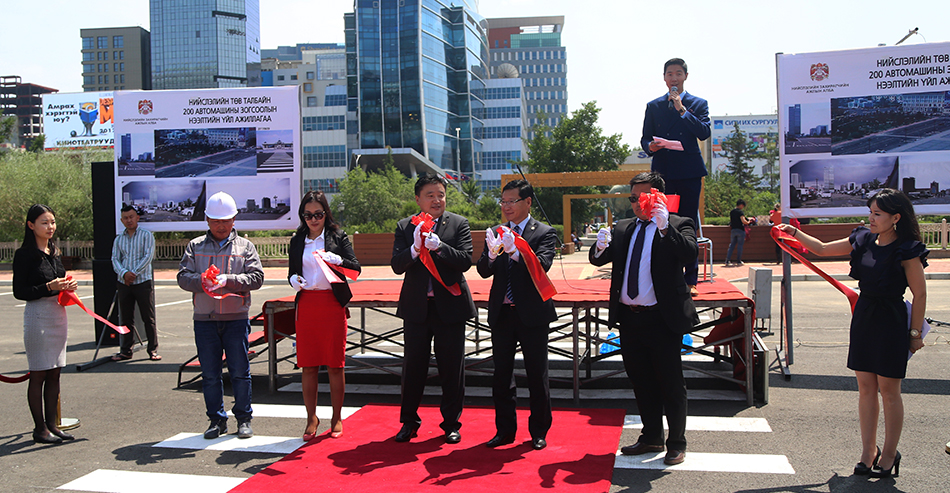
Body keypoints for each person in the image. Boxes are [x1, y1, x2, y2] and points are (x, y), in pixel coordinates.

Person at [776, 188, 926, 479]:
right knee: (866, 389)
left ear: (896, 217)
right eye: (870, 212)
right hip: (864, 317)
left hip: (892, 320)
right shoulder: (863, 239)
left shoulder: (907, 248)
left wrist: (915, 333)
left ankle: (890, 453)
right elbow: (820, 249)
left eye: (878, 214)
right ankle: (868, 452)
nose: (871, 218)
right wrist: (793, 232)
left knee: (889, 391)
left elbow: (919, 295)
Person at [589, 171, 699, 466]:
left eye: (644, 197)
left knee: (671, 382)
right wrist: (599, 244)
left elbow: (689, 254)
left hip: (662, 318)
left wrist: (665, 229)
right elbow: (599, 259)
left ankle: (677, 441)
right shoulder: (625, 227)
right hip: (630, 317)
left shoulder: (678, 223)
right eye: (634, 197)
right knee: (641, 380)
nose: (638, 203)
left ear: (660, 197)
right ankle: (651, 435)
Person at [391, 174, 476, 444]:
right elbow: (396, 264)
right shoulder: (405, 226)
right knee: (413, 368)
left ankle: (451, 423)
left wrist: (440, 247)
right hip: (417, 309)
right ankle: (409, 422)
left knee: (452, 368)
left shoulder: (458, 224)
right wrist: (416, 249)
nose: (436, 200)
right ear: (418, 199)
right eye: (430, 195)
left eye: (440, 194)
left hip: (450, 307)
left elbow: (465, 261)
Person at [476, 179, 557, 450]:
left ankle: (538, 431)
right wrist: (490, 254)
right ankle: (504, 431)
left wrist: (515, 253)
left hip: (532, 314)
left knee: (536, 374)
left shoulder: (543, 232)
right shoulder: (497, 231)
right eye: (503, 201)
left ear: (528, 202)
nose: (506, 207)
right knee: (502, 375)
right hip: (502, 312)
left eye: (512, 201)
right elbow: (484, 270)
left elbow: (542, 265)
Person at [178, 191, 264, 440]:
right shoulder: (195, 246)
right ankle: (216, 420)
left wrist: (230, 280)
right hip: (204, 320)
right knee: (210, 374)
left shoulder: (245, 247)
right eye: (216, 221)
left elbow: (257, 278)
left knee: (239, 371)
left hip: (236, 319)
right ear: (206, 220)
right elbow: (182, 277)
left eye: (226, 220)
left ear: (235, 219)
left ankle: (244, 419)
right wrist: (201, 280)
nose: (221, 225)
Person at [288, 190, 360, 441]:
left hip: (332, 303)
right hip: (307, 304)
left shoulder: (338, 236)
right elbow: (292, 272)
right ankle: (311, 417)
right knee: (308, 365)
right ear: (302, 216)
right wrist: (292, 280)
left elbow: (355, 269)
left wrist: (338, 259)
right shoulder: (298, 240)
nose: (313, 219)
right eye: (307, 215)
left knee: (335, 364)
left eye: (318, 214)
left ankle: (337, 416)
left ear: (325, 214)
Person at [640, 58, 709, 296]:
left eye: (678, 74)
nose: (674, 78)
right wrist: (652, 146)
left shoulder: (698, 104)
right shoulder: (654, 106)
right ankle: (663, 275)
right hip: (663, 173)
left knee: (688, 222)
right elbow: (645, 139)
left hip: (689, 172)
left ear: (685, 77)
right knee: (661, 220)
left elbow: (704, 132)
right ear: (664, 78)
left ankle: (690, 278)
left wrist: (682, 109)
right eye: (669, 74)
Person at [13, 204, 79, 445]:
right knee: (39, 373)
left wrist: (67, 286)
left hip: (57, 315)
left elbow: (59, 279)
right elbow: (20, 292)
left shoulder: (54, 250)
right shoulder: (24, 255)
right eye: (44, 222)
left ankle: (52, 425)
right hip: (38, 316)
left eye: (52, 222)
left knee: (55, 373)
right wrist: (49, 288)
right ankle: (39, 428)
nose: (50, 227)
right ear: (31, 226)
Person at [111, 204, 159, 361]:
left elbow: (148, 256)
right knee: (125, 318)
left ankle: (152, 350)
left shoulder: (146, 235)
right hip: (124, 283)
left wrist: (134, 273)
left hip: (142, 281)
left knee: (148, 318)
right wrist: (124, 273)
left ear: (137, 218)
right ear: (121, 220)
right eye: (125, 218)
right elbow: (115, 259)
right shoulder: (119, 238)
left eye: (131, 217)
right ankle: (126, 350)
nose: (129, 220)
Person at [725, 199, 754, 266]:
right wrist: (748, 222)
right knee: (740, 246)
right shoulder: (740, 212)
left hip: (733, 230)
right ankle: (738, 261)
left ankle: (727, 260)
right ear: (741, 205)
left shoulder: (732, 212)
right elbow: (743, 221)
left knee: (732, 245)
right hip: (740, 230)